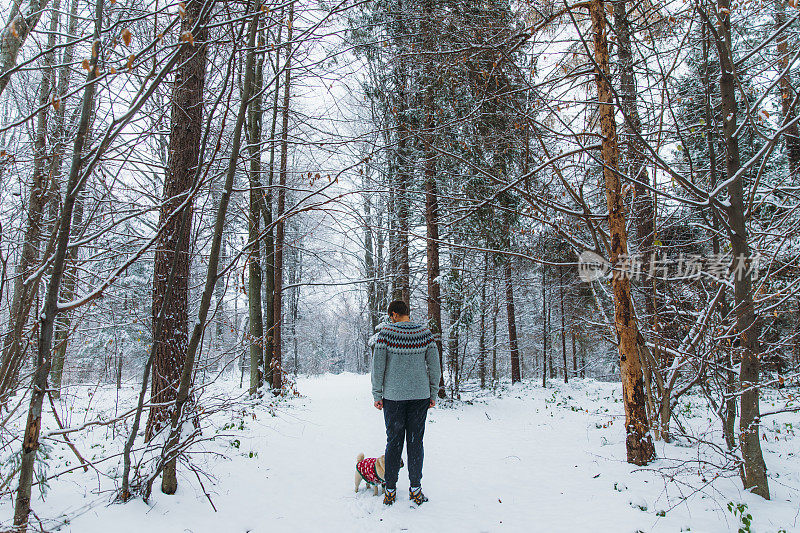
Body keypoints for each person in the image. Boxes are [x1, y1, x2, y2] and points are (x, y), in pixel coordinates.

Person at [371, 300, 441, 506]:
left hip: (393, 398)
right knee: (415, 442)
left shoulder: (385, 334)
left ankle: (390, 490)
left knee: (394, 442)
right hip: (420, 397)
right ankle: (416, 490)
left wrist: (377, 394)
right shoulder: (425, 334)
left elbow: (378, 367)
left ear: (393, 314)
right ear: (407, 313)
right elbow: (435, 367)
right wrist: (433, 393)